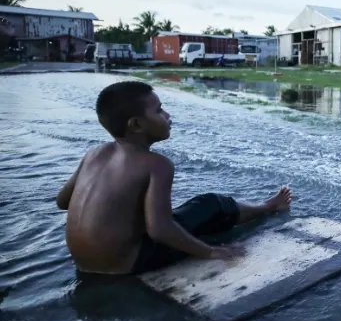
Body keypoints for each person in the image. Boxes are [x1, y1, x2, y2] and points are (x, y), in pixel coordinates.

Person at [56, 81, 293, 275]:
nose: (167, 115)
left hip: (83, 263)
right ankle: (268, 206)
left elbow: (62, 202)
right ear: (136, 124)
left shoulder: (94, 154)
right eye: (159, 110)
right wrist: (210, 252)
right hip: (125, 265)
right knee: (210, 204)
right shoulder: (157, 164)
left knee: (170, 213)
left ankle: (263, 206)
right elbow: (159, 230)